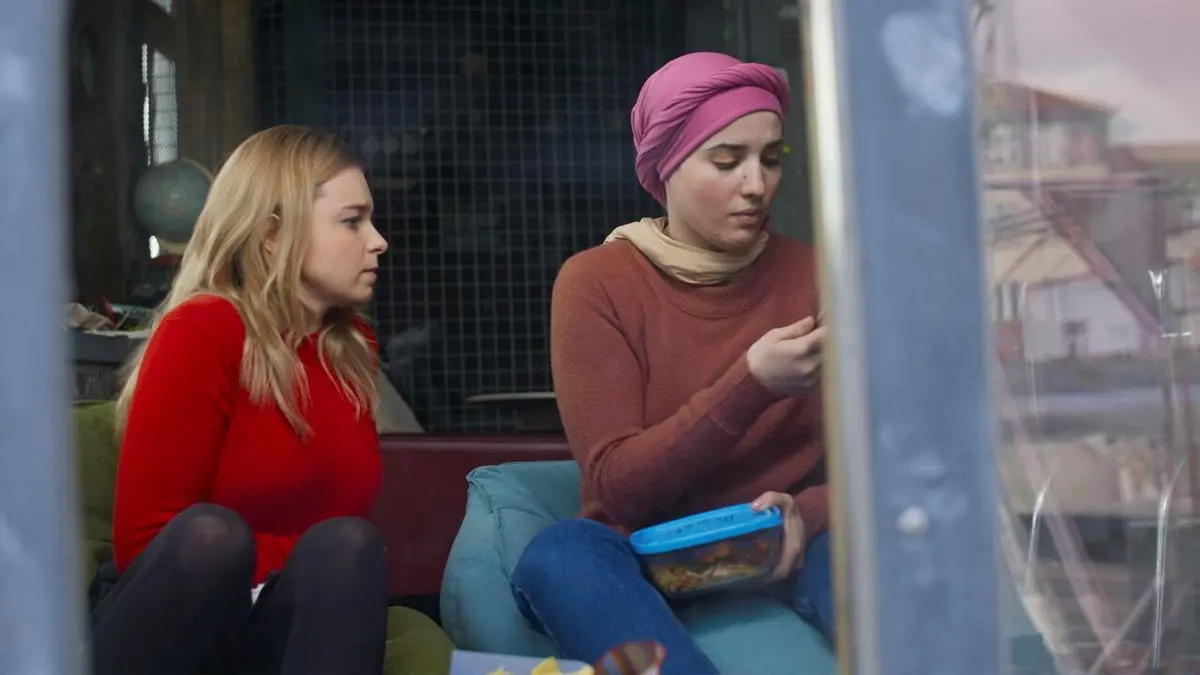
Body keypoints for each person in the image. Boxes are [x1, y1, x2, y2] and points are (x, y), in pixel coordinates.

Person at [509, 52, 831, 674]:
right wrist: (752, 383)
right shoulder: (596, 282)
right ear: (667, 164)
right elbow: (620, 489)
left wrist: (809, 513)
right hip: (641, 551)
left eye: (771, 158)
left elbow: (888, 469)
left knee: (868, 545)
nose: (756, 185)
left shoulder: (817, 274)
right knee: (559, 554)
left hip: (783, 549)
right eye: (727, 161)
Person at [90, 125, 392, 675]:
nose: (378, 241)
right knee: (214, 536)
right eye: (352, 221)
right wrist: (295, 558)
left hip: (271, 623)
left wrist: (314, 563)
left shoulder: (353, 348)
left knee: (350, 544)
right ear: (273, 234)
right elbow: (148, 543)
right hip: (171, 622)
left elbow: (339, 544)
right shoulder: (203, 330)